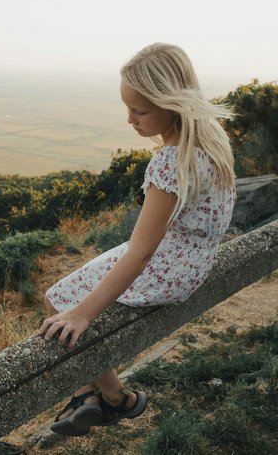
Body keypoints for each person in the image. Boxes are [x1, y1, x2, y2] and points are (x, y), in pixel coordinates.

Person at [38, 42, 236, 436]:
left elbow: (141, 253)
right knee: (73, 296)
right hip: (195, 262)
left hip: (166, 268)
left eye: (140, 110)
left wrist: (83, 313)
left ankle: (113, 398)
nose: (130, 119)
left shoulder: (171, 162)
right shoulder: (211, 139)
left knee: (57, 300)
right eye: (127, 107)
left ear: (173, 102)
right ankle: (87, 393)